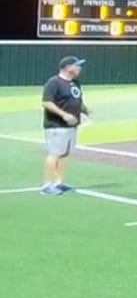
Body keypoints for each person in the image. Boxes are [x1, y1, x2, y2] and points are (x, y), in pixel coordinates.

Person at [40, 55, 88, 195]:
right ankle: (47, 185)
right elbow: (46, 102)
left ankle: (58, 182)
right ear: (67, 67)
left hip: (71, 126)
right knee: (54, 154)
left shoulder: (75, 83)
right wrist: (64, 115)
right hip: (56, 125)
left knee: (65, 154)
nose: (79, 68)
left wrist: (85, 110)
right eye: (77, 65)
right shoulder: (53, 83)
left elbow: (77, 100)